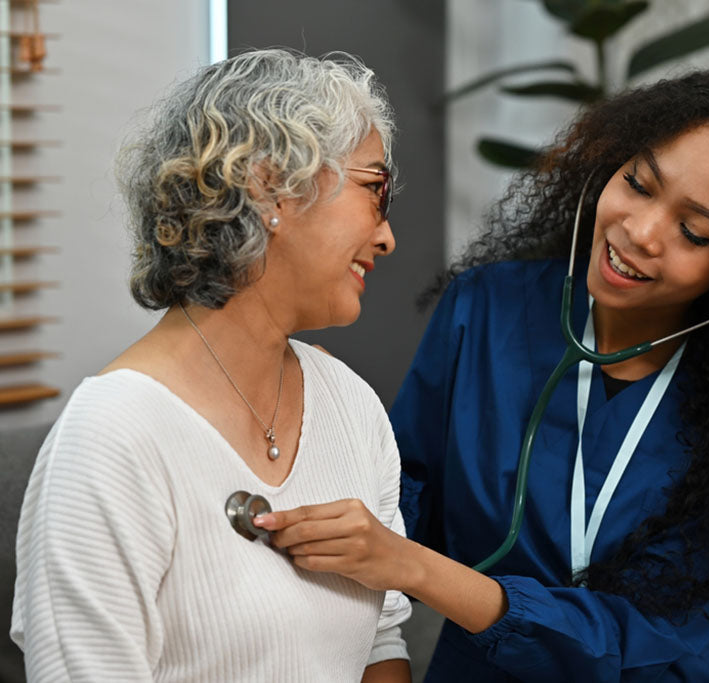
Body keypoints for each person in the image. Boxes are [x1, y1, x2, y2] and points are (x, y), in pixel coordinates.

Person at [255, 70, 709, 681]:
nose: (640, 232)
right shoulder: (486, 310)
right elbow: (398, 500)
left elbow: (640, 630)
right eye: (638, 184)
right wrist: (329, 416)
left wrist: (411, 566)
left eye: (694, 232)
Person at [11, 49, 413, 682]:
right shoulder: (109, 439)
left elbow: (381, 644)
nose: (387, 236)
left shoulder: (354, 408)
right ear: (267, 184)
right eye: (374, 188)